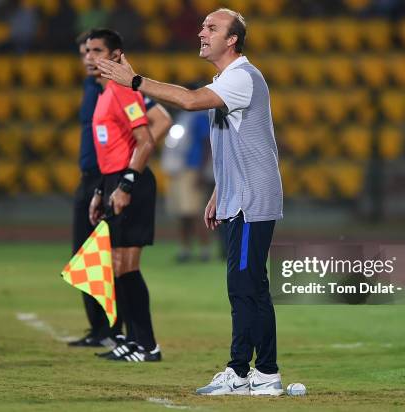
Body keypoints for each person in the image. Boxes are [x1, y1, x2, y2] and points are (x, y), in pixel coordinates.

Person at [96, 8, 284, 393]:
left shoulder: (242, 77)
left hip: (252, 201)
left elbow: (191, 100)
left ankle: (249, 372)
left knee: (245, 288)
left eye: (211, 28)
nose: (201, 33)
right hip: (240, 197)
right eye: (202, 26)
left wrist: (134, 80)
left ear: (232, 39)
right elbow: (241, 143)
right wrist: (219, 191)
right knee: (250, 287)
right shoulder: (229, 79)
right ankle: (260, 373)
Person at [68, 30, 171, 349]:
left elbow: (149, 136)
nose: (89, 56)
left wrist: (126, 181)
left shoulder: (124, 92)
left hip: (127, 181)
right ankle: (127, 338)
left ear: (115, 55)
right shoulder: (101, 92)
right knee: (114, 265)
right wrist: (102, 188)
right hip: (108, 180)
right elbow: (106, 149)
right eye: (86, 51)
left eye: (96, 50)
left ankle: (144, 343)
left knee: (125, 266)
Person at [161, 110, 212, 262]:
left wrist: (202, 172)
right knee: (181, 214)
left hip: (192, 169)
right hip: (177, 170)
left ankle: (205, 250)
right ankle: (185, 249)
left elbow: (207, 144)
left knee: (195, 212)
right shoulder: (183, 116)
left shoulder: (200, 117)